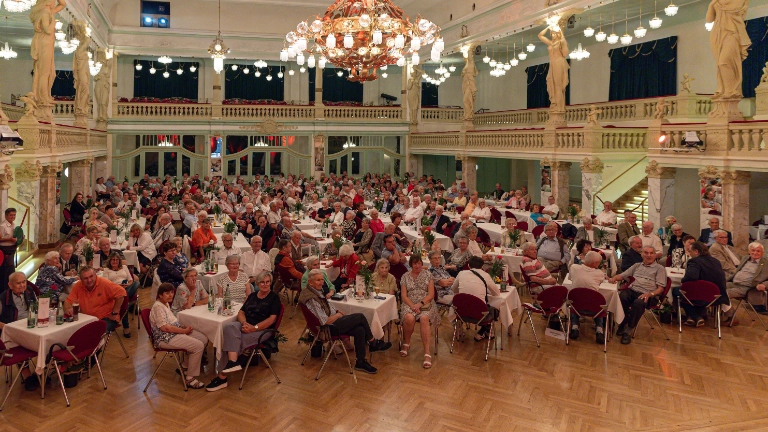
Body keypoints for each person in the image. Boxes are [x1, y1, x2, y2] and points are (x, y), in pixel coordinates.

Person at [300, 269, 391, 375]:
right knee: (360, 317)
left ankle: (360, 362)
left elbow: (326, 308)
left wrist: (337, 311)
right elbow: (324, 321)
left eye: (322, 279)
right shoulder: (311, 298)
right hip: (327, 329)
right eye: (318, 280)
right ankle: (373, 342)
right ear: (310, 282)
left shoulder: (314, 291)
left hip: (332, 322)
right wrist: (338, 315)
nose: (321, 282)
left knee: (360, 329)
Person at [150, 283, 208, 389]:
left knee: (203, 338)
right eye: (167, 293)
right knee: (198, 345)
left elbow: (171, 322)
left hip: (173, 333)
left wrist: (182, 327)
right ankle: (189, 378)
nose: (170, 295)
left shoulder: (165, 304)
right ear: (160, 295)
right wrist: (183, 331)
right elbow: (165, 328)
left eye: (172, 292)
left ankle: (185, 366)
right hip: (165, 338)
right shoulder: (158, 307)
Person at [608, 246, 668, 344]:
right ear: (641, 254)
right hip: (633, 290)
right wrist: (613, 278)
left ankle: (628, 330)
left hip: (649, 294)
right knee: (622, 296)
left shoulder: (660, 268)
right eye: (646, 253)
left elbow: (660, 289)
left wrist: (650, 294)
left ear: (655, 254)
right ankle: (622, 324)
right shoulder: (637, 265)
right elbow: (623, 275)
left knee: (638, 303)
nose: (649, 255)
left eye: (651, 253)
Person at [676, 242, 734, 327]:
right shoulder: (716, 261)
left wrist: (682, 280)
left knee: (678, 292)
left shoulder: (694, 261)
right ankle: (694, 317)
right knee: (695, 294)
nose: (689, 253)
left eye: (690, 251)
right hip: (716, 297)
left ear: (696, 252)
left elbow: (692, 276)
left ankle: (695, 317)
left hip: (702, 296)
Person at [399, 255, 440, 369]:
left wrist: (420, 304)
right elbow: (403, 296)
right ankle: (406, 343)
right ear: (411, 264)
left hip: (426, 303)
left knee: (424, 318)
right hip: (409, 304)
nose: (417, 266)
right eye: (415, 263)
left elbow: (431, 294)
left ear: (422, 264)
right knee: (409, 318)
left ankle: (427, 353)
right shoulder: (405, 276)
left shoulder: (428, 275)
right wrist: (412, 306)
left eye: (419, 263)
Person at [449, 256, 500, 340]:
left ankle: (461, 329)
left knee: (456, 302)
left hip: (461, 313)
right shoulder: (485, 275)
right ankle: (485, 330)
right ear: (482, 266)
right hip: (480, 315)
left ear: (468, 265)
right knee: (495, 310)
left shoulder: (461, 273)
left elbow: (454, 289)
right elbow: (496, 293)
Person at [64, 266, 127, 333]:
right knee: (68, 331)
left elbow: (121, 292)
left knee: (91, 334)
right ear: (81, 279)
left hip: (106, 318)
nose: (89, 280)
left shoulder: (104, 283)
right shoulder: (78, 285)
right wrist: (68, 309)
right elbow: (68, 301)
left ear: (95, 275)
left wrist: (114, 313)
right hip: (86, 319)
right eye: (85, 278)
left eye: (91, 276)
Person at [568, 251, 608, 344]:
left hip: (576, 308)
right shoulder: (599, 273)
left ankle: (574, 327)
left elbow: (570, 278)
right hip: (594, 310)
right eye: (598, 263)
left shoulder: (573, 267)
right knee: (600, 303)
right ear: (594, 263)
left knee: (575, 298)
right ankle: (599, 330)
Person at [101, 252, 140, 336]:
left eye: (117, 260)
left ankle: (124, 299)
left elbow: (130, 280)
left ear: (119, 261)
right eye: (113, 260)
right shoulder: (106, 270)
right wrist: (118, 286)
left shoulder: (124, 267)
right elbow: (106, 284)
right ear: (110, 261)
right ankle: (126, 327)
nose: (115, 261)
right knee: (123, 297)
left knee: (137, 283)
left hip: (127, 288)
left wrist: (127, 285)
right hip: (115, 291)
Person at [726, 242, 768, 317]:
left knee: (723, 294)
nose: (755, 253)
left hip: (747, 287)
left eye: (758, 251)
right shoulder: (745, 258)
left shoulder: (766, 263)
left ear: (762, 252)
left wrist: (764, 285)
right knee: (714, 288)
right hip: (733, 283)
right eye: (753, 250)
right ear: (749, 251)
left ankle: (730, 316)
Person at [0, 208, 20, 294]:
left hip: (12, 250)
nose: (13, 217)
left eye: (14, 215)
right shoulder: (2, 226)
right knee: (6, 272)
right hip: (5, 251)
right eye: (11, 215)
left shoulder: (14, 225)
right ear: (6, 216)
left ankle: (11, 290)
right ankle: (5, 291)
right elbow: (0, 239)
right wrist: (10, 239)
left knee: (11, 270)